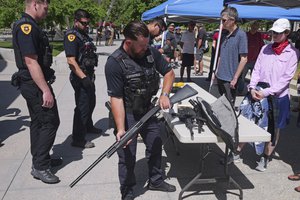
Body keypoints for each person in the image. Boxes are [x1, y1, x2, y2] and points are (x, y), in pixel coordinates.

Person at [105, 21, 176, 200]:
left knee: (155, 143)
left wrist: (165, 94)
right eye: (142, 45)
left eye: (147, 44)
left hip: (148, 109)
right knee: (127, 154)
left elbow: (169, 73)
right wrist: (121, 129)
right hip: (127, 111)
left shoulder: (150, 52)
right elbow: (116, 98)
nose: (146, 48)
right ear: (129, 42)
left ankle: (156, 180)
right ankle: (127, 190)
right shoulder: (114, 63)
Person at [237, 18, 299, 171]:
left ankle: (265, 157)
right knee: (248, 120)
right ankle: (237, 151)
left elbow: (285, 79)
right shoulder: (265, 49)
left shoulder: (293, 54)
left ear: (287, 33)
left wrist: (265, 92)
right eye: (273, 32)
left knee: (273, 128)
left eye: (278, 33)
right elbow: (257, 69)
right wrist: (252, 87)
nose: (275, 35)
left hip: (278, 96)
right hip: (258, 90)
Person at [12, 0, 61, 184]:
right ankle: (40, 166)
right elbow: (31, 62)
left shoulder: (31, 26)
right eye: (45, 7)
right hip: (34, 84)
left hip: (33, 83)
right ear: (35, 5)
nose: (47, 11)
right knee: (50, 121)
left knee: (39, 122)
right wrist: (45, 90)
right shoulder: (27, 27)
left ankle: (41, 159)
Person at [64, 9, 102, 149]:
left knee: (91, 102)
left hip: (88, 75)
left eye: (87, 23)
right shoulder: (72, 36)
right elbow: (71, 61)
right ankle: (78, 139)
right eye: (84, 23)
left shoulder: (83, 35)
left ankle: (88, 126)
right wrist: (84, 78)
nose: (86, 26)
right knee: (82, 107)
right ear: (76, 21)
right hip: (80, 77)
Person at [215, 7, 248, 106]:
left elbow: (244, 59)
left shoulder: (241, 35)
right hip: (220, 76)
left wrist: (235, 78)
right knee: (219, 104)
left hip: (230, 79)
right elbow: (221, 55)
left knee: (228, 106)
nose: (222, 23)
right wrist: (216, 71)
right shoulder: (224, 34)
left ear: (232, 20)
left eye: (223, 20)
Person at [237, 21, 264, 95]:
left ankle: (253, 91)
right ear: (251, 26)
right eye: (254, 26)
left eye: (257, 26)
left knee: (254, 78)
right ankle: (240, 91)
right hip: (245, 60)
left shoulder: (259, 35)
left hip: (255, 61)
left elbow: (262, 47)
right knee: (241, 77)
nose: (255, 28)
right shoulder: (246, 35)